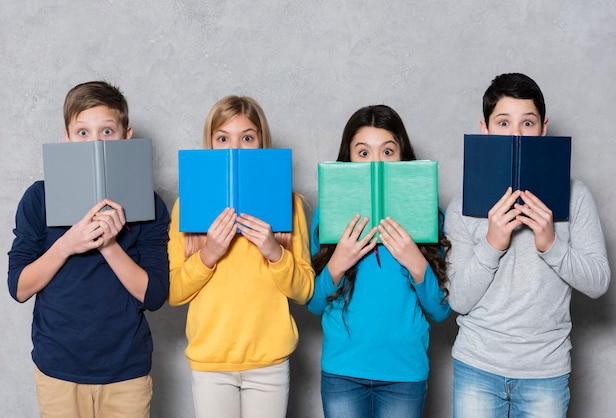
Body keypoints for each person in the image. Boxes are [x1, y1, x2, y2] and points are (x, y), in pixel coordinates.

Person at [445, 73, 611, 418]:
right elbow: (458, 300)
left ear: (543, 128)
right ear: (485, 129)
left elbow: (598, 283)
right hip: (477, 366)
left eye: (528, 123)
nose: (516, 134)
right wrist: (493, 243)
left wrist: (550, 243)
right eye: (503, 122)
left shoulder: (575, 196)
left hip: (545, 371)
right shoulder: (462, 204)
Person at [7, 81, 170, 418]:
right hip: (59, 366)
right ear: (66, 138)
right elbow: (19, 288)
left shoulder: (149, 204)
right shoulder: (39, 198)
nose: (95, 141)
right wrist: (68, 244)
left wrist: (110, 246)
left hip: (126, 369)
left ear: (127, 136)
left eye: (107, 131)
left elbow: (154, 296)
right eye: (83, 132)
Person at [167, 95, 315, 418]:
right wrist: (209, 254)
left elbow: (304, 291)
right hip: (210, 362)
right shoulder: (187, 205)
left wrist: (274, 251)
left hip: (269, 362)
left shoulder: (288, 205)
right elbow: (175, 293)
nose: (235, 147)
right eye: (223, 138)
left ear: (262, 143)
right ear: (210, 144)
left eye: (247, 137)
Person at [307, 104, 451, 418]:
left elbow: (440, 310)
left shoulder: (427, 216)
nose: (376, 162)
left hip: (405, 372)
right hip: (343, 370)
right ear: (348, 159)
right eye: (363, 153)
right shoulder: (327, 215)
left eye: (387, 152)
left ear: (403, 157)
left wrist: (415, 261)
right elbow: (314, 305)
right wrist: (338, 263)